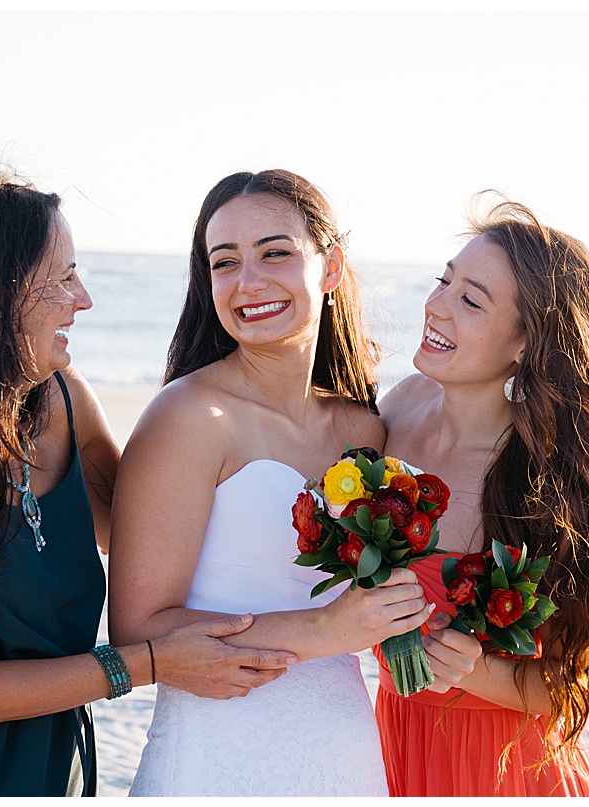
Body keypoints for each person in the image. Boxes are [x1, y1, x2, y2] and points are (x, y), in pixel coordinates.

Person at [0, 169, 298, 797]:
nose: (82, 299)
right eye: (61, 278)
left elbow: (147, 527)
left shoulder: (61, 400)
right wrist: (149, 665)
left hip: (60, 769)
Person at [107, 169, 434, 797]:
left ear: (330, 267)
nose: (248, 282)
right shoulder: (189, 418)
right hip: (217, 758)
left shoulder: (365, 430)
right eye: (224, 262)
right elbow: (139, 630)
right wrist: (324, 632)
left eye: (275, 253)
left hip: (343, 754)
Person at [373, 195, 589, 796]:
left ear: (528, 342)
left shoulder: (543, 480)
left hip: (498, 767)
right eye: (443, 282)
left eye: (471, 300)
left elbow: (573, 683)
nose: (436, 307)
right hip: (389, 742)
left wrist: (477, 670)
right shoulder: (397, 410)